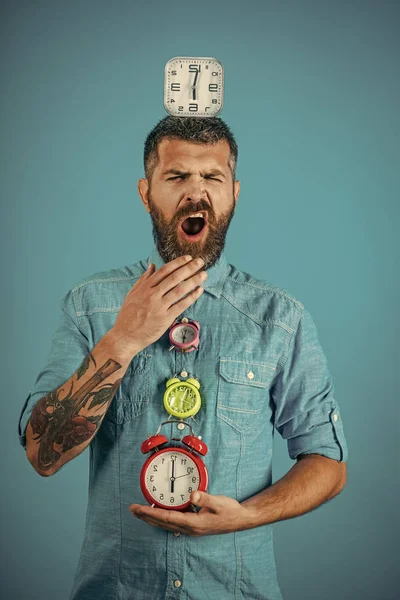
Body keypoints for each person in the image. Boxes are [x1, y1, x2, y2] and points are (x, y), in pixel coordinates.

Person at [18, 116, 348, 600]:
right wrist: (125, 338)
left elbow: (329, 463)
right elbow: (41, 453)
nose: (196, 194)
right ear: (145, 192)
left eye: (212, 178)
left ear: (234, 193)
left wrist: (248, 516)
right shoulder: (91, 306)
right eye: (176, 177)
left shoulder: (281, 318)